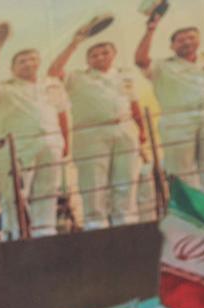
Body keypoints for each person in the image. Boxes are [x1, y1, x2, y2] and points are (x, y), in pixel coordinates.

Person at [136, 11, 204, 202]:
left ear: (198, 40)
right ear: (172, 46)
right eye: (181, 40)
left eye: (191, 37)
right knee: (181, 170)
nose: (187, 42)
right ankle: (189, 212)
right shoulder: (162, 66)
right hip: (178, 120)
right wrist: (150, 30)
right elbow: (140, 60)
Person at [48, 32, 145, 229]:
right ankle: (96, 226)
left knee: (126, 181)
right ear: (87, 60)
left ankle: (126, 224)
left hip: (124, 129)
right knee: (94, 185)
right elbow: (53, 71)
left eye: (105, 53)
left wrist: (141, 129)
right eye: (94, 55)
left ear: (113, 54)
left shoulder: (124, 75)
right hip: (91, 134)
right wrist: (73, 43)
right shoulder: (76, 77)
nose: (100, 57)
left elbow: (133, 103)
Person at [0, 41, 70, 239]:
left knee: (48, 191)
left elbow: (61, 113)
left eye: (33, 60)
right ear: (12, 69)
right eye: (22, 62)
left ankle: (45, 232)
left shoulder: (51, 85)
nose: (28, 64)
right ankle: (15, 234)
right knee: (16, 196)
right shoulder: (5, 88)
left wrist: (65, 142)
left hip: (50, 143)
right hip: (19, 149)